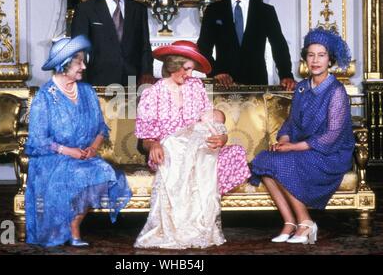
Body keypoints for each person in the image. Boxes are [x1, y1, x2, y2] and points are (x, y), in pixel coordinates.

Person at [134, 40, 251, 249]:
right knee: (178, 154)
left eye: (192, 69)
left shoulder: (196, 87)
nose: (190, 74)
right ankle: (179, 229)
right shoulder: (152, 94)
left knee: (232, 153)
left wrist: (221, 138)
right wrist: (153, 146)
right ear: (173, 65)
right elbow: (145, 139)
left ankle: (199, 226)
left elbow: (209, 120)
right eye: (187, 69)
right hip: (168, 149)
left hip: (197, 145)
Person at [24, 35, 132, 247]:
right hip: (52, 158)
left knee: (104, 171)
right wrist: (68, 151)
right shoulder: (44, 97)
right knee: (77, 174)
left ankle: (73, 223)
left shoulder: (87, 91)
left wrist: (93, 147)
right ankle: (72, 230)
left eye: (84, 60)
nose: (83, 66)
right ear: (64, 64)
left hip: (84, 156)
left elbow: (102, 127)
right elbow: (38, 140)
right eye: (78, 61)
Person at [250, 28, 355, 244]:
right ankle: (290, 222)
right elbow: (291, 123)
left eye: (321, 55)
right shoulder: (301, 88)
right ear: (305, 58)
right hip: (303, 147)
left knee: (283, 163)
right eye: (311, 55)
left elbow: (332, 136)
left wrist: (293, 148)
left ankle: (306, 222)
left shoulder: (336, 91)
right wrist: (284, 140)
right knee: (264, 160)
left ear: (330, 59)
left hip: (330, 154)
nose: (315, 60)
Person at [197, 0, 296, 91]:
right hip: (223, 87)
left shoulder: (265, 11)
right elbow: (203, 48)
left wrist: (286, 75)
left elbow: (279, 46)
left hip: (257, 85)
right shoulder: (213, 11)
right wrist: (216, 73)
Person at [71, 0, 154, 86]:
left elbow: (144, 47)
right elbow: (78, 50)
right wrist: (82, 83)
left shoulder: (139, 10)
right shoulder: (86, 9)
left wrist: (147, 72)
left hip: (131, 82)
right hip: (98, 82)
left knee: (130, 108)